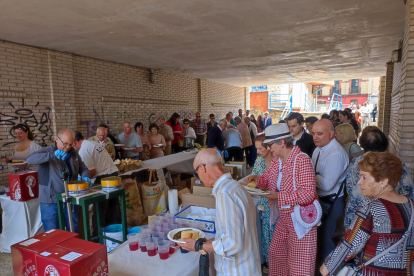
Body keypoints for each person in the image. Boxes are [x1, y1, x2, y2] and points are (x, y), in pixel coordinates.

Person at [321, 152, 414, 276]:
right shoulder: (411, 206)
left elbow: (350, 245)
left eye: (364, 177)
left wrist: (325, 268)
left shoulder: (370, 207)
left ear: (383, 181)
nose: (359, 182)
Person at [246, 123, 318, 276]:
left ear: (282, 143)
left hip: (300, 220)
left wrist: (279, 197)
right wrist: (257, 179)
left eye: (270, 144)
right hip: (284, 217)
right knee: (276, 253)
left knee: (299, 263)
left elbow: (308, 194)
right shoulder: (279, 161)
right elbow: (266, 178)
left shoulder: (301, 160)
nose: (269, 149)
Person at [180, 149, 261, 276]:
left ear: (202, 168)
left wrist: (199, 246)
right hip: (246, 266)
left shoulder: (225, 193)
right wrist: (208, 242)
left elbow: (232, 243)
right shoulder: (235, 187)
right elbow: (233, 232)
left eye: (196, 174)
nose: (199, 178)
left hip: (236, 270)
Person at [343, 128, 414, 229]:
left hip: (355, 219)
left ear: (362, 146)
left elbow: (349, 188)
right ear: (385, 145)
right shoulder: (396, 165)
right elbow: (408, 193)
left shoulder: (355, 163)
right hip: (386, 221)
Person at [27, 129, 91, 232]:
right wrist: (51, 155)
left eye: (70, 144)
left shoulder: (73, 154)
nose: (67, 147)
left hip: (70, 198)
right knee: (52, 232)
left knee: (73, 229)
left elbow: (83, 168)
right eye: (65, 144)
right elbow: (30, 159)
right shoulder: (47, 151)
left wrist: (85, 176)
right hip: (51, 201)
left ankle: (72, 248)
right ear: (57, 139)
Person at [312, 119, 349, 260]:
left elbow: (327, 185)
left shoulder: (335, 153)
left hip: (331, 201)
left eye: (319, 133)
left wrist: (308, 175)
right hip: (319, 199)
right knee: (318, 238)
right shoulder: (318, 148)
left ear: (331, 134)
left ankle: (328, 269)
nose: (315, 137)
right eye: (313, 133)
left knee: (325, 239)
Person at [73, 131, 120, 237]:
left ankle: (97, 237)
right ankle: (115, 234)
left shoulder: (84, 150)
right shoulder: (91, 143)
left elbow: (92, 171)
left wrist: (80, 179)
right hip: (113, 175)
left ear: (75, 142)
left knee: (99, 210)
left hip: (104, 178)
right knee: (113, 208)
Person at [250, 134, 276, 273]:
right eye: (257, 149)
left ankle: (277, 262)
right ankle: (267, 261)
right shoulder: (259, 161)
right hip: (263, 202)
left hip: (277, 202)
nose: (258, 152)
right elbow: (255, 177)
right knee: (265, 232)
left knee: (276, 231)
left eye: (260, 148)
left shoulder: (279, 160)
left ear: (269, 147)